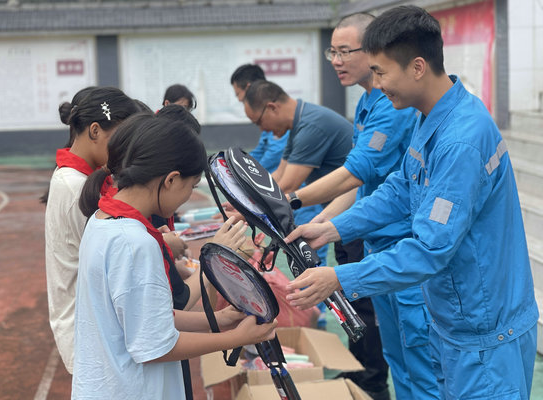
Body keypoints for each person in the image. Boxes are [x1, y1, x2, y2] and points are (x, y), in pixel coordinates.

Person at [285, 6, 538, 399]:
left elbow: (429, 249)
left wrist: (340, 278)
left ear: (418, 67)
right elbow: (401, 189)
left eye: (381, 72)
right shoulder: (431, 116)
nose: (377, 84)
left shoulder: (460, 141)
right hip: (456, 317)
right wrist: (333, 228)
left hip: (484, 333)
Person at [287, 13, 438, 399]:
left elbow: (358, 173)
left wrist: (294, 200)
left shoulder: (398, 107)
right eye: (332, 52)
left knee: (421, 363)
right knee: (399, 358)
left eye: (345, 52)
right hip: (380, 244)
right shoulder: (372, 100)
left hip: (405, 250)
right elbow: (376, 187)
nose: (336, 61)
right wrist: (325, 224)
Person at [73, 115, 277, 399]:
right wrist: (236, 338)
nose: (189, 196)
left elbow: (147, 316)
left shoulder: (101, 219)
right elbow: (156, 347)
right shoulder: (135, 244)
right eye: (191, 187)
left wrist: (218, 319)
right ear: (171, 180)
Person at [44, 87, 141, 374]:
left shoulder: (78, 177)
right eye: (119, 139)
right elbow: (112, 258)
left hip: (91, 325)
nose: (123, 150)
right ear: (95, 131)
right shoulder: (75, 186)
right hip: (89, 332)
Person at [230, 64, 328, 263]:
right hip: (289, 199)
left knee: (312, 261)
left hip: (301, 201)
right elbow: (263, 160)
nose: (239, 99)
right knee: (301, 259)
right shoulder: (286, 124)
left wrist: (248, 206)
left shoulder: (291, 125)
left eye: (238, 94)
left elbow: (277, 172)